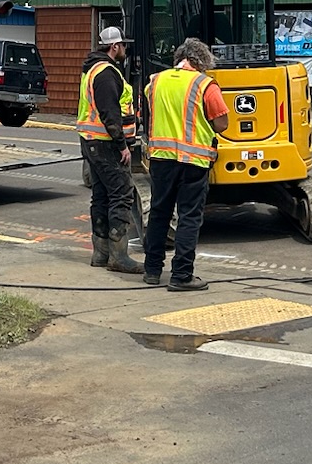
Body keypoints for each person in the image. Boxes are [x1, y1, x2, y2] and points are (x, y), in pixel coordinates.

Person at [142, 37, 230, 291]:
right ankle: (181, 275)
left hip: (161, 158)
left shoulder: (155, 81)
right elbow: (222, 124)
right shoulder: (205, 85)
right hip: (193, 161)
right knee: (189, 217)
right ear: (200, 62)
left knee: (159, 213)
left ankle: (152, 270)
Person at [75, 26, 142, 274]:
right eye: (123, 45)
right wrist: (122, 145)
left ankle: (101, 253)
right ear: (114, 47)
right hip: (105, 143)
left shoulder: (92, 69)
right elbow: (109, 113)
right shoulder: (106, 73)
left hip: (92, 141)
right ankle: (118, 256)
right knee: (121, 194)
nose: (125, 49)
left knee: (102, 195)